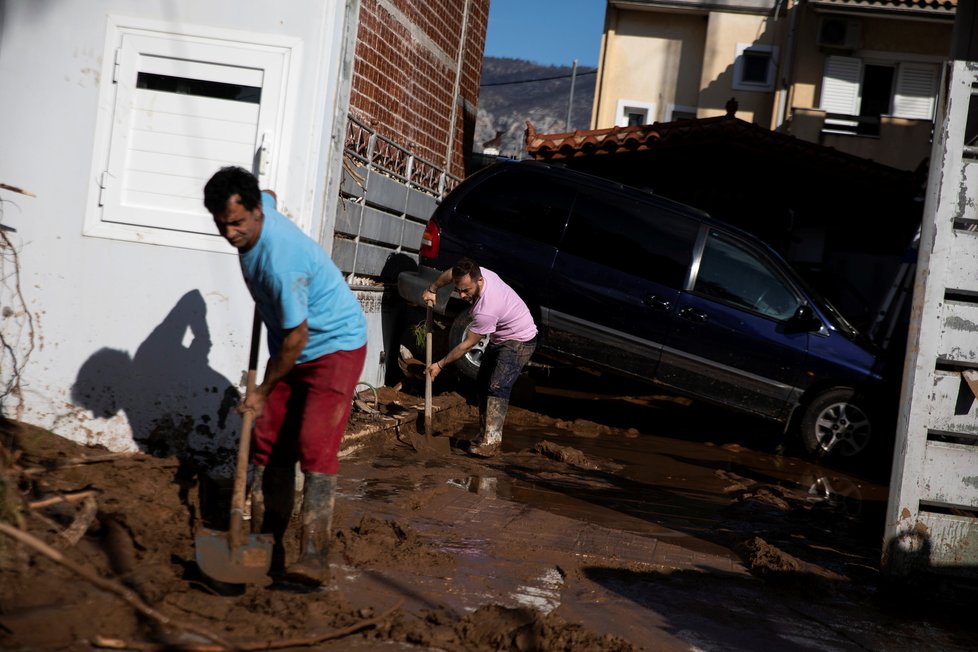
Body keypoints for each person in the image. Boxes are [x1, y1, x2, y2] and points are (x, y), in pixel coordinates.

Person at [203, 166, 367, 586]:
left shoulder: (281, 263)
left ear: (256, 212)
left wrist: (261, 390)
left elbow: (297, 339)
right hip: (293, 346)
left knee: (314, 443)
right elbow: (272, 192)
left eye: (238, 223)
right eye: (222, 224)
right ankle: (263, 540)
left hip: (334, 345)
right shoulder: (260, 206)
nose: (230, 234)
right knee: (267, 438)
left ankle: (313, 555)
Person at [422, 258, 537, 457]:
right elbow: (451, 273)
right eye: (459, 289)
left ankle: (491, 441)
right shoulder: (472, 273)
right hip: (502, 335)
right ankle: (483, 435)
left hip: (520, 340)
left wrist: (440, 365)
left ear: (480, 281)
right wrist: (433, 288)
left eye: (466, 290)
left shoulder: (487, 308)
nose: (462, 295)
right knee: (482, 381)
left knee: (496, 386)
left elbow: (467, 344)